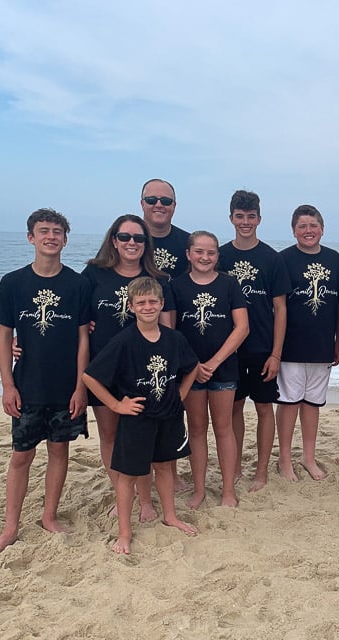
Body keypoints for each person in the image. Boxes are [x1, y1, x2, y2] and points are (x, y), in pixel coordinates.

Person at [0, 208, 90, 554]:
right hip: (26, 385)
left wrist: (80, 387)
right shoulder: (13, 283)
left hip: (65, 387)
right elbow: (4, 337)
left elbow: (83, 340)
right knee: (21, 455)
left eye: (58, 232)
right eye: (44, 231)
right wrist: (7, 385)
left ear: (65, 240)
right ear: (31, 237)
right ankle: (10, 527)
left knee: (60, 451)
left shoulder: (77, 284)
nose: (51, 237)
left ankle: (49, 516)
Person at [82, 277, 199, 554]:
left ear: (161, 304)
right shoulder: (123, 341)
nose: (148, 307)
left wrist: (180, 393)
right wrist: (116, 405)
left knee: (165, 466)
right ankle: (124, 532)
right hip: (137, 419)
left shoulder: (174, 338)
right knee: (128, 475)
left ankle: (170, 516)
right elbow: (91, 377)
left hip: (168, 415)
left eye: (152, 302)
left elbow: (192, 367)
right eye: (141, 303)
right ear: (131, 306)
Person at [82, 214, 173, 522]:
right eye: (125, 237)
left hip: (145, 373)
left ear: (146, 244)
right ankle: (123, 494)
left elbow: (168, 330)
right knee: (109, 435)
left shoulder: (157, 280)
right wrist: (20, 340)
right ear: (114, 240)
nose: (132, 243)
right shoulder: (94, 274)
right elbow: (74, 318)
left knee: (143, 438)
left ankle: (146, 501)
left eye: (139, 238)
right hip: (105, 370)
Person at [217, 190, 291, 492]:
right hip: (229, 350)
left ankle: (261, 471)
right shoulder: (220, 255)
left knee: (264, 408)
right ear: (231, 217)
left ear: (259, 219)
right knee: (234, 409)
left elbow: (281, 309)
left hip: (261, 347)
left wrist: (276, 354)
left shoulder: (271, 258)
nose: (245, 222)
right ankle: (233, 467)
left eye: (251, 217)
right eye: (239, 216)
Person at [172, 231, 249, 508]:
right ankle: (199, 489)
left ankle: (228, 490)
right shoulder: (176, 286)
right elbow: (170, 331)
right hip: (189, 372)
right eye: (199, 252)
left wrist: (214, 362)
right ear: (188, 255)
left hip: (224, 369)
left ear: (218, 255)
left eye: (211, 252)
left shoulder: (229, 285)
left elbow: (242, 327)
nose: (205, 257)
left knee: (224, 428)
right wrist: (193, 366)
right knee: (196, 429)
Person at [276, 205, 339, 482]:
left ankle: (308, 456)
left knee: (313, 403)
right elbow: (277, 307)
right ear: (294, 230)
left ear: (322, 228)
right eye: (302, 226)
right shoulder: (283, 260)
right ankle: (284, 459)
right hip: (291, 345)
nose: (308, 231)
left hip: (322, 345)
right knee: (289, 402)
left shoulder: (334, 259)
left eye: (313, 225)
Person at [140, 178, 190, 281]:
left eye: (166, 201)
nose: (159, 205)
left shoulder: (189, 243)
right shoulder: (125, 240)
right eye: (151, 200)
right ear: (142, 204)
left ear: (174, 205)